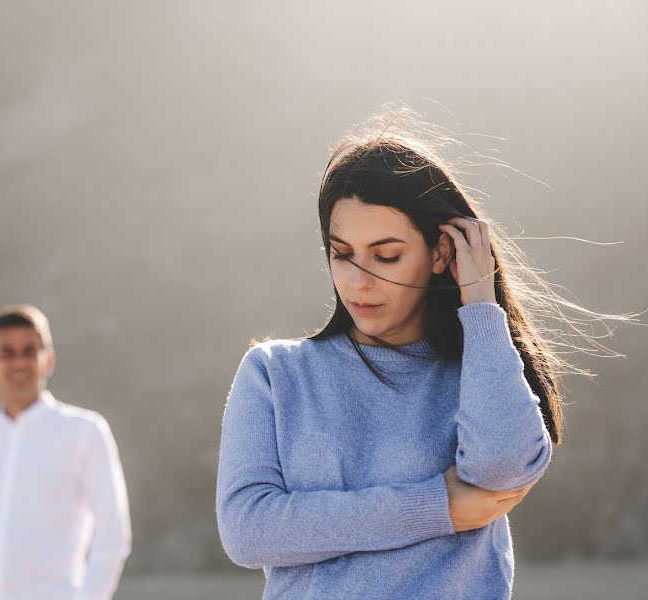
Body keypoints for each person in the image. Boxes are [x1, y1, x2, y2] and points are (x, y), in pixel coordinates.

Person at [216, 113, 568, 599]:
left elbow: (502, 470)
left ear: (442, 253)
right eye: (342, 254)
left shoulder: (481, 375)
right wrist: (437, 506)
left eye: (386, 256)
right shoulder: (275, 374)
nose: (358, 282)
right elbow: (248, 529)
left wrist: (482, 306)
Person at [0, 304, 131, 600]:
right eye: (7, 353)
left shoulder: (84, 432)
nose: (19, 362)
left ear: (48, 359)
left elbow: (113, 535)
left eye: (29, 351)